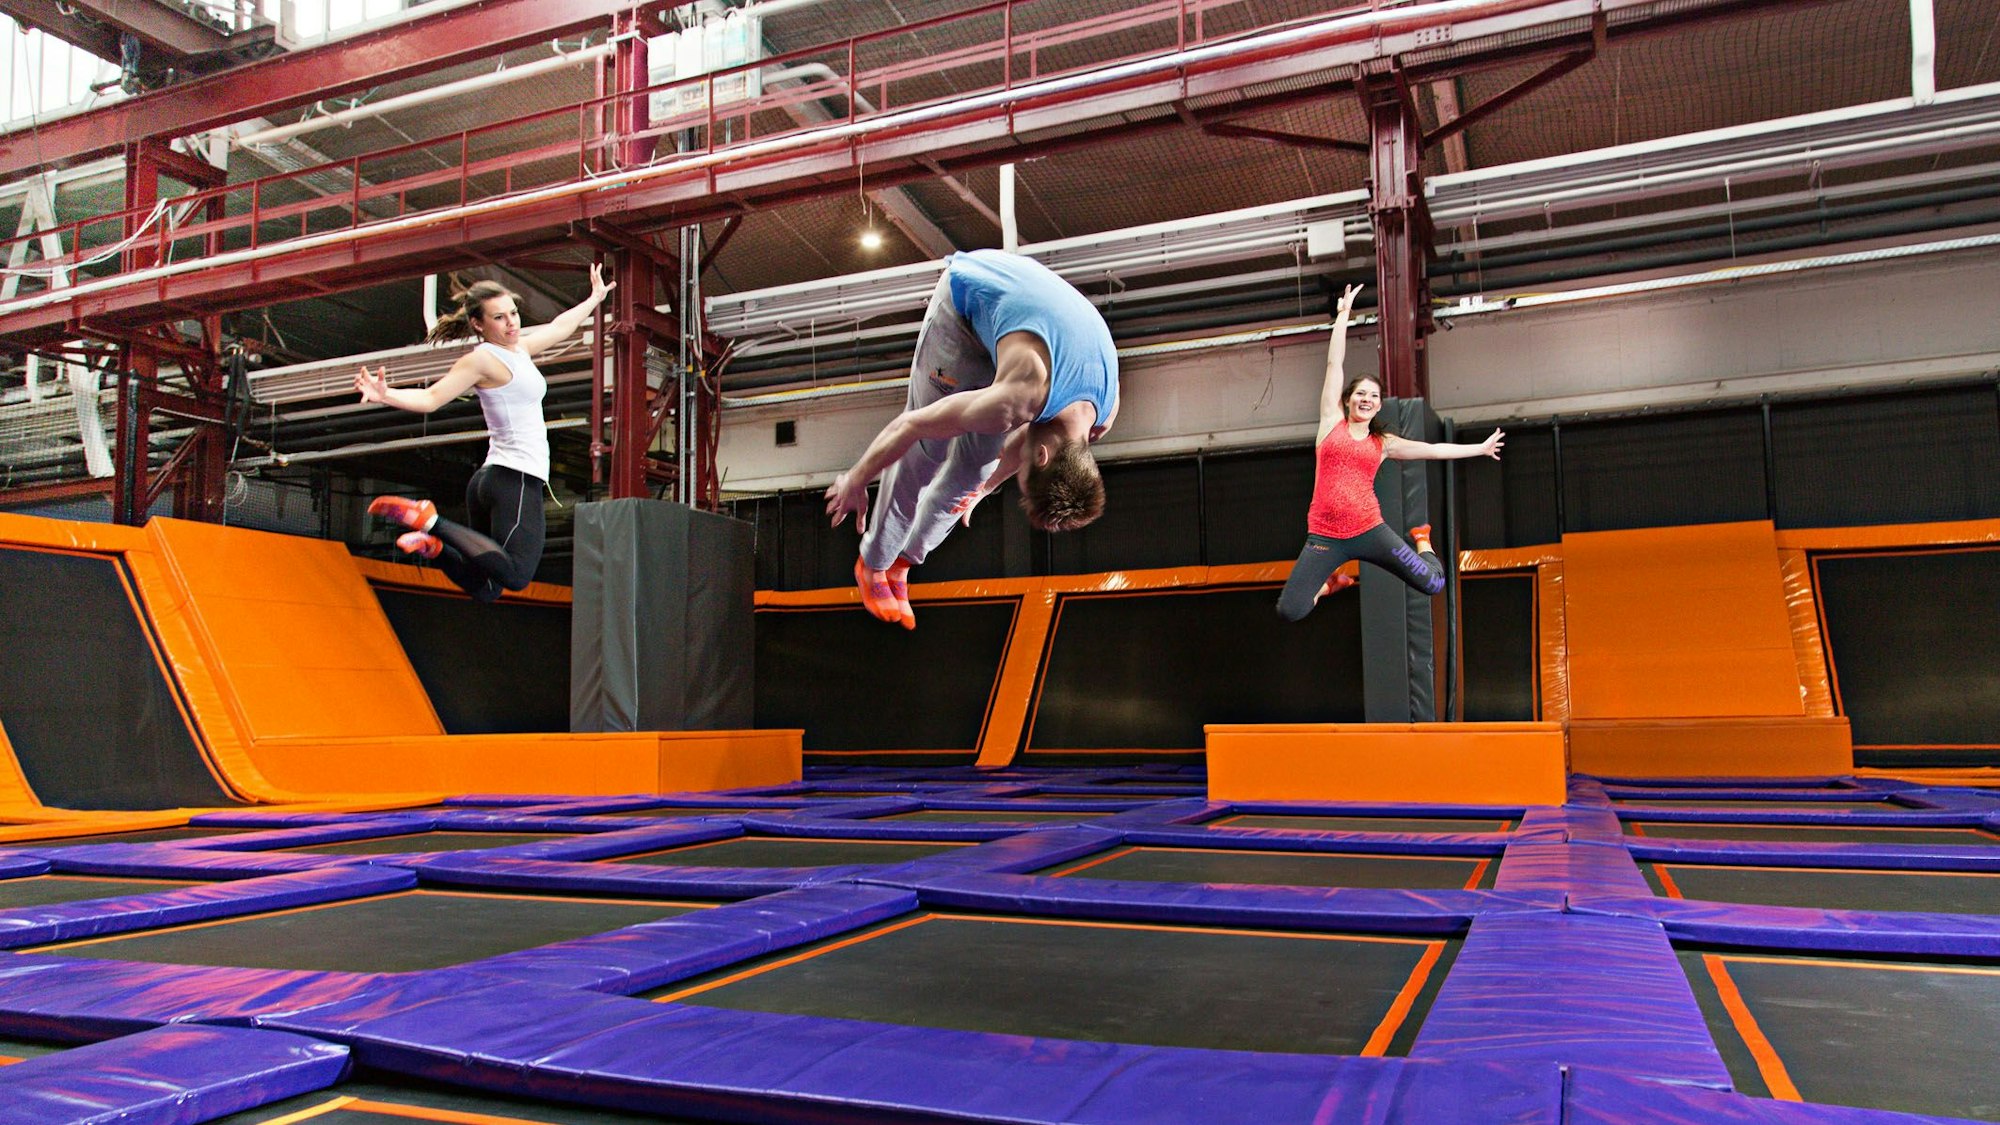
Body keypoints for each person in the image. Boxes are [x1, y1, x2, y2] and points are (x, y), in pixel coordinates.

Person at [824, 249, 1119, 629]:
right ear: (1043, 457)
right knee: (925, 452)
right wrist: (857, 479)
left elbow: (1024, 445)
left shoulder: (1100, 416)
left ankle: (903, 562)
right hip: (965, 304)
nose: (1013, 484)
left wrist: (983, 488)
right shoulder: (1017, 397)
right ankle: (875, 563)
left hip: (1027, 317)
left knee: (972, 473)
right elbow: (908, 426)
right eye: (1024, 484)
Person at [355, 264, 613, 602]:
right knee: (518, 575)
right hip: (515, 478)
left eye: (514, 313)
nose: (512, 323)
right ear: (479, 324)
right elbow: (432, 398)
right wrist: (386, 394)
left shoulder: (517, 351)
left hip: (492, 480)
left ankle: (434, 548)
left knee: (487, 588)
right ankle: (429, 521)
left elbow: (559, 327)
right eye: (500, 318)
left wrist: (594, 297)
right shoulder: (482, 360)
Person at [1276, 284, 1503, 622]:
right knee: (1290, 610)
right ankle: (1330, 586)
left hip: (1370, 531)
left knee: (1432, 581)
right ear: (1348, 398)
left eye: (1373, 396)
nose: (1366, 399)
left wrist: (1479, 448)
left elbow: (1433, 449)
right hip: (1326, 536)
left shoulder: (1382, 444)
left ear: (1378, 405)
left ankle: (1422, 539)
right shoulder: (1330, 424)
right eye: (1361, 394)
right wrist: (1342, 317)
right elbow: (1333, 364)